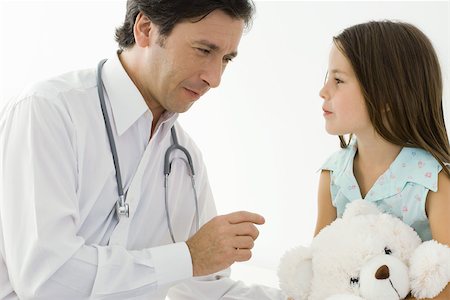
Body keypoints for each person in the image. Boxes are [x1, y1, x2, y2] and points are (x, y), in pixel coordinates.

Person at [0, 1, 285, 299]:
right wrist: (187, 257)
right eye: (204, 50)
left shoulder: (184, 159)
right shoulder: (48, 112)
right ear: (145, 29)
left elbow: (205, 289)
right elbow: (47, 281)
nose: (214, 79)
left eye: (226, 59)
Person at [316, 20, 450, 299]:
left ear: (385, 96)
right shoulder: (333, 174)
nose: (324, 91)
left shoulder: (433, 181)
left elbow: (446, 285)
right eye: (327, 78)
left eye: (338, 80)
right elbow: (321, 263)